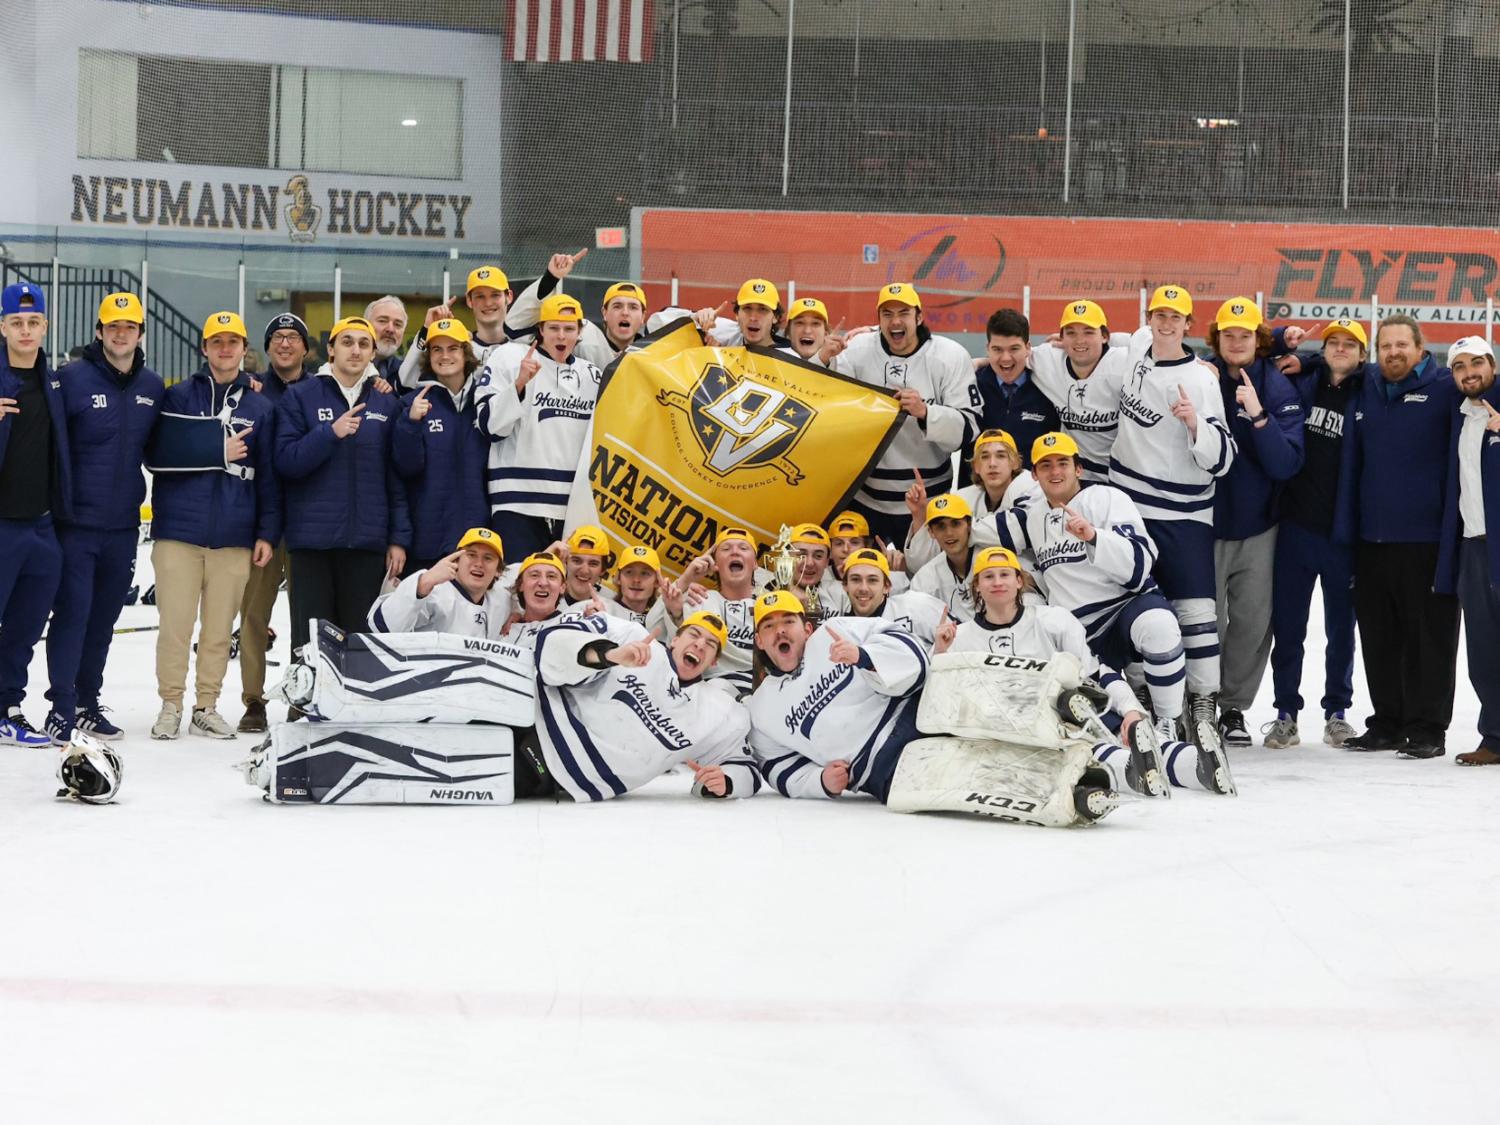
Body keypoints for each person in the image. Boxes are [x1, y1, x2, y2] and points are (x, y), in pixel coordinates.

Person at [935, 545, 1230, 795]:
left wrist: (1130, 711)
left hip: (1072, 712)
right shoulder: (960, 638)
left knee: (1119, 734)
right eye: (988, 576)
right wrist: (940, 652)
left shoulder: (1053, 621)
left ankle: (1200, 765)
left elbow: (1097, 675)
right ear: (976, 586)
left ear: (1019, 581)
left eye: (1004, 575)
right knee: (1085, 751)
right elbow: (941, 699)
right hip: (1023, 733)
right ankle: (1134, 772)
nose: (997, 582)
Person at [984, 432, 1187, 745]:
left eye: (1063, 463)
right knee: (1101, 722)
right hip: (1080, 633)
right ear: (1034, 474)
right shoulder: (1032, 514)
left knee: (1159, 625)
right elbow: (971, 532)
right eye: (1046, 465)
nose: (1055, 472)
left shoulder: (1106, 499)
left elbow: (1141, 564)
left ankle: (1170, 722)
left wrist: (1094, 537)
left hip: (1123, 609)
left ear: (1078, 468)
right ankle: (1136, 735)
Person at [1107, 285, 1234, 756]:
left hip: (1183, 514)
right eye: (1159, 314)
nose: (1165, 323)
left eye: (1174, 317)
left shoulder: (1200, 381)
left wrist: (1194, 424)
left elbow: (1223, 459)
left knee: (1196, 616)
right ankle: (1144, 699)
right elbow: (1113, 339)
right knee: (1137, 606)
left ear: (1187, 324)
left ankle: (1202, 708)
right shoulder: (1138, 344)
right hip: (1130, 505)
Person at [145, 312, 279, 740]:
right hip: (179, 532)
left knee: (219, 629)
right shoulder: (178, 396)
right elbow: (157, 453)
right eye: (216, 342)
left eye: (233, 342)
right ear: (204, 348)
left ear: (244, 349)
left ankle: (207, 704)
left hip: (235, 535)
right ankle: (171, 702)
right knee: (175, 626)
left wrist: (266, 532)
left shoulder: (261, 406)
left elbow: (271, 475)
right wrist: (215, 448)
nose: (225, 349)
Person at [44, 291, 165, 743]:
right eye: (112, 326)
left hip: (123, 526)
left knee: (103, 618)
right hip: (75, 524)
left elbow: (163, 446)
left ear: (139, 333)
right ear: (99, 331)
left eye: (129, 327)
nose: (120, 334)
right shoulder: (70, 379)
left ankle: (85, 701)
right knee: (72, 614)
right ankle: (59, 706)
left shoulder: (152, 387)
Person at [1347, 314, 1461, 758]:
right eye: (1385, 346)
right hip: (1372, 539)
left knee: (1429, 638)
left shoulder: (1446, 387)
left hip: (1427, 539)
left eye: (1401, 345)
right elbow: (1325, 365)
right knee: (1379, 637)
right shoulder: (1369, 384)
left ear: (1419, 347)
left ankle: (1429, 728)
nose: (1393, 352)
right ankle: (1388, 723)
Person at [274, 315, 410, 656]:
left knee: (358, 641)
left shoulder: (386, 403)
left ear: (373, 353)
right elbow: (287, 461)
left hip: (366, 542)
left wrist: (397, 538)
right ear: (330, 350)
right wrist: (329, 434)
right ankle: (305, 705)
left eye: (364, 344)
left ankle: (353, 708)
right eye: (346, 342)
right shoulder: (300, 396)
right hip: (313, 542)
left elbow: (396, 476)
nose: (355, 350)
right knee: (310, 638)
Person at [1203, 298, 1305, 748]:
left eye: (1246, 334)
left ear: (1258, 339)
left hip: (1258, 524)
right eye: (1229, 334)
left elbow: (1288, 464)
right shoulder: (1197, 374)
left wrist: (1259, 415)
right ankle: (1198, 701)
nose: (1237, 342)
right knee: (1205, 621)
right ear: (1217, 338)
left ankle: (1232, 708)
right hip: (1202, 523)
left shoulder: (1276, 386)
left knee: (1249, 622)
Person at [531, 610, 761, 801]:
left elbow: (745, 769)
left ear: (713, 661)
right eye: (694, 634)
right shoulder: (633, 636)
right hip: (535, 725)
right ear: (675, 639)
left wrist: (727, 782)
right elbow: (552, 639)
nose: (700, 644)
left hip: (565, 778)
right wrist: (609, 655)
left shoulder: (718, 712)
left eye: (711, 644)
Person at [1264, 319, 1366, 749]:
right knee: (1289, 628)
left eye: (1350, 344)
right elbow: (1259, 346)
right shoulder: (1302, 379)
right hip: (1295, 527)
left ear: (1363, 354)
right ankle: (1285, 712)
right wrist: (1298, 351)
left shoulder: (1371, 390)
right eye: (1333, 343)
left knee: (1341, 631)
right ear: (1322, 350)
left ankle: (1337, 712)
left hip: (1342, 533)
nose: (1340, 349)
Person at [832, 283, 980, 543]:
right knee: (861, 577)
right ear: (878, 320)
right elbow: (828, 404)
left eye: (904, 313)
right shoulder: (857, 352)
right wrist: (823, 358)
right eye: (887, 314)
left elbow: (969, 429)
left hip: (929, 498)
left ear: (919, 317)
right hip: (866, 498)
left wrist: (926, 412)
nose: (895, 321)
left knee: (924, 578)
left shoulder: (950, 356)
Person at [748, 589, 928, 802]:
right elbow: (777, 765)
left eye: (788, 621)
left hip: (917, 719)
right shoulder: (761, 709)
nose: (780, 631)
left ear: (807, 629)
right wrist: (820, 781)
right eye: (769, 626)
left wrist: (865, 657)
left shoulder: (834, 631)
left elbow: (913, 650)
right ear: (759, 641)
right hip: (880, 769)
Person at [474, 293, 602, 558]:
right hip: (517, 504)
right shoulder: (509, 358)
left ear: (579, 333)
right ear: (540, 330)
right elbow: (488, 426)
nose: (561, 336)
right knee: (515, 585)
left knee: (564, 595)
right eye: (553, 328)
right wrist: (519, 384)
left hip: (573, 509)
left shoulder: (593, 375)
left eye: (569, 329)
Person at [0, 283, 70, 747]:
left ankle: (7, 706)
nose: (26, 330)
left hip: (43, 527)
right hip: (2, 526)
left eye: (33, 322)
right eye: (16, 322)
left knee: (25, 629)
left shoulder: (57, 381)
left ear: (45, 326)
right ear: (2, 326)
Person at [235, 312, 311, 734]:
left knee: (306, 615)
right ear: (267, 348)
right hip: (263, 521)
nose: (285, 344)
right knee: (253, 615)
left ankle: (302, 694)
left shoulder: (323, 388)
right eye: (277, 337)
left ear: (305, 347)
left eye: (292, 337)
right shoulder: (251, 391)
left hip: (308, 521)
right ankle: (253, 700)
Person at [1436, 336, 1500, 765]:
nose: (1468, 372)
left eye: (1476, 362)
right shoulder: (1460, 416)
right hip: (1474, 548)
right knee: (1483, 651)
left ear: (1492, 364)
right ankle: (1494, 737)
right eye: (1459, 366)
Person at [391, 317, 489, 573]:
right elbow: (405, 470)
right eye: (437, 349)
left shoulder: (486, 403)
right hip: (427, 543)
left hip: (478, 543)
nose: (445, 356)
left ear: (466, 353)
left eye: (453, 348)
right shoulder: (411, 404)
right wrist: (410, 423)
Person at [903, 428, 1039, 572]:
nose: (992, 463)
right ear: (976, 466)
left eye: (1001, 456)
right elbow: (920, 564)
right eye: (984, 457)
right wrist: (920, 515)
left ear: (1015, 463)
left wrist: (957, 531)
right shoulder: (962, 499)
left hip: (1027, 577)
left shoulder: (1030, 485)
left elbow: (1015, 533)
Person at [1027, 299, 1126, 479]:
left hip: (1119, 474)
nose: (1080, 340)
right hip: (1075, 475)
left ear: (1104, 337)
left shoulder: (1123, 362)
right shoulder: (1047, 359)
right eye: (1071, 333)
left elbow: (1153, 344)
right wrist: (980, 363)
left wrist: (1193, 361)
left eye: (1088, 332)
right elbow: (1012, 356)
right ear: (1061, 337)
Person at [505, 249, 650, 367]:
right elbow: (514, 329)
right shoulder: (580, 332)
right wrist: (551, 278)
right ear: (604, 313)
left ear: (643, 316)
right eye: (617, 306)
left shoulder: (653, 351)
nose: (625, 313)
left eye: (633, 307)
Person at [966, 309, 1059, 479]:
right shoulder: (971, 385)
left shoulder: (1048, 389)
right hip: (979, 494)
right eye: (997, 350)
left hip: (1032, 494)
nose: (1006, 358)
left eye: (1014, 349)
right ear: (988, 349)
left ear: (1028, 348)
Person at [369, 527, 511, 637]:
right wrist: (423, 583)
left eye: (488, 558)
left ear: (498, 570)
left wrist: (517, 614)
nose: (479, 563)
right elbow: (381, 627)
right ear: (456, 560)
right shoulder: (435, 590)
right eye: (471, 555)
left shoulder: (502, 599)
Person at [672, 526, 763, 694]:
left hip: (762, 689)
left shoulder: (770, 603)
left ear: (755, 563)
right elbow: (652, 625)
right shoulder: (699, 599)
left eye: (743, 548)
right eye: (726, 549)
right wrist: (685, 580)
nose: (735, 552)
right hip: (710, 691)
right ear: (715, 564)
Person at [399, 266, 516, 387]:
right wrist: (426, 330)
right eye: (480, 296)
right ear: (469, 300)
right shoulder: (458, 350)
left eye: (495, 295)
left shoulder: (523, 348)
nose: (488, 303)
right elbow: (405, 385)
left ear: (509, 297)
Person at [841, 547, 945, 646]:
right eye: (855, 579)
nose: (863, 588)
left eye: (872, 580)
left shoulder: (916, 605)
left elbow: (957, 637)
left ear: (887, 586)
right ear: (845, 585)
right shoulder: (839, 630)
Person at [909, 493, 979, 620]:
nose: (949, 533)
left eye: (956, 523)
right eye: (940, 526)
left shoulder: (994, 560)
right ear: (931, 532)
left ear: (969, 525)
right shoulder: (924, 579)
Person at [688, 278, 786, 347]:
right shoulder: (718, 329)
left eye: (763, 310)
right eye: (747, 308)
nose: (753, 317)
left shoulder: (788, 358)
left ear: (775, 317)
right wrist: (695, 320)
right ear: (737, 314)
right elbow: (673, 318)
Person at [601, 544, 677, 633]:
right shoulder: (601, 609)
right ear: (618, 578)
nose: (636, 580)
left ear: (657, 581)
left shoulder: (664, 622)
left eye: (644, 573)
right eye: (629, 572)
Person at [782, 523, 850, 620]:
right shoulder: (769, 591)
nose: (809, 563)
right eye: (801, 555)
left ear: (826, 562)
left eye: (818, 556)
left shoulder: (841, 592)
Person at [560, 524, 613, 608]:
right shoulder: (545, 596)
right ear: (565, 562)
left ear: (602, 570)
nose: (584, 570)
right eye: (577, 561)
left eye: (593, 564)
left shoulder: (612, 607)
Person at [364, 296, 409, 382]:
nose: (390, 329)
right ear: (366, 326)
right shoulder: (347, 370)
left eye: (397, 324)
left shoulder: (408, 375)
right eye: (382, 321)